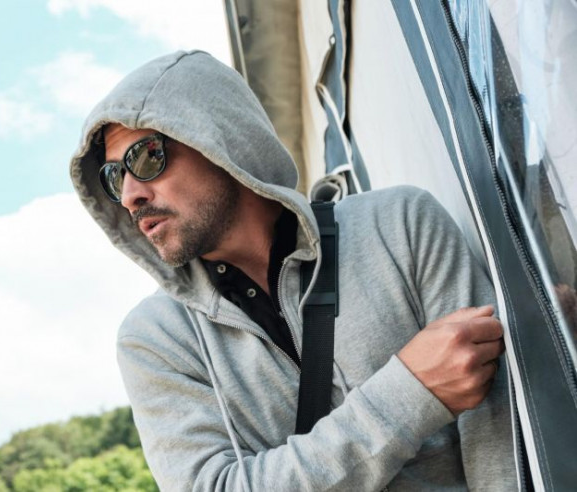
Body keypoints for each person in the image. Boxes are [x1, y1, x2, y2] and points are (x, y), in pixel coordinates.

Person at [69, 51, 515, 490]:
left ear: (216, 138)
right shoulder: (155, 339)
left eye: (146, 157)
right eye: (114, 178)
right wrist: (411, 393)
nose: (129, 195)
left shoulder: (400, 224)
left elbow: (502, 432)